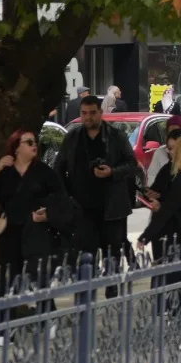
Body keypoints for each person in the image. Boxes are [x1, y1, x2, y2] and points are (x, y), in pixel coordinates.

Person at [0, 128, 79, 284]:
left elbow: (62, 198)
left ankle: (44, 306)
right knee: (10, 280)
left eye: (35, 142)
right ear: (16, 147)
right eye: (29, 142)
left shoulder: (43, 171)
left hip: (35, 232)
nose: (34, 145)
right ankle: (11, 308)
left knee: (38, 279)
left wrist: (48, 214)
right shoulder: (6, 172)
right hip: (9, 234)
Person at [54, 95, 138, 262]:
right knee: (85, 257)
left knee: (111, 256)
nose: (88, 117)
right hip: (82, 209)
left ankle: (112, 287)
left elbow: (132, 164)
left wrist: (112, 172)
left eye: (92, 113)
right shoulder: (72, 138)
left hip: (111, 208)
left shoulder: (116, 136)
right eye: (84, 113)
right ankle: (87, 287)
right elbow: (58, 168)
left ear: (100, 112)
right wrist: (66, 198)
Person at [145, 114, 181, 188]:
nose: (173, 135)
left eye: (177, 132)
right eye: (170, 132)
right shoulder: (160, 153)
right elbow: (152, 177)